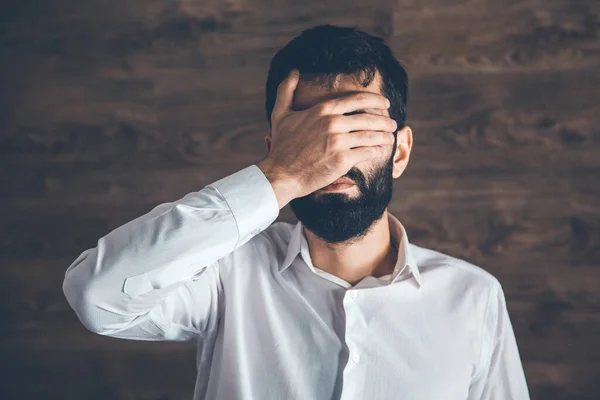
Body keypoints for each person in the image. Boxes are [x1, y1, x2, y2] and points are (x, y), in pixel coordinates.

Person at [62, 24, 530, 400]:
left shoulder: (475, 297)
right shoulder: (224, 274)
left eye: (356, 128)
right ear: (278, 151)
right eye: (310, 134)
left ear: (400, 153)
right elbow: (98, 297)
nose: (334, 154)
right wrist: (280, 175)